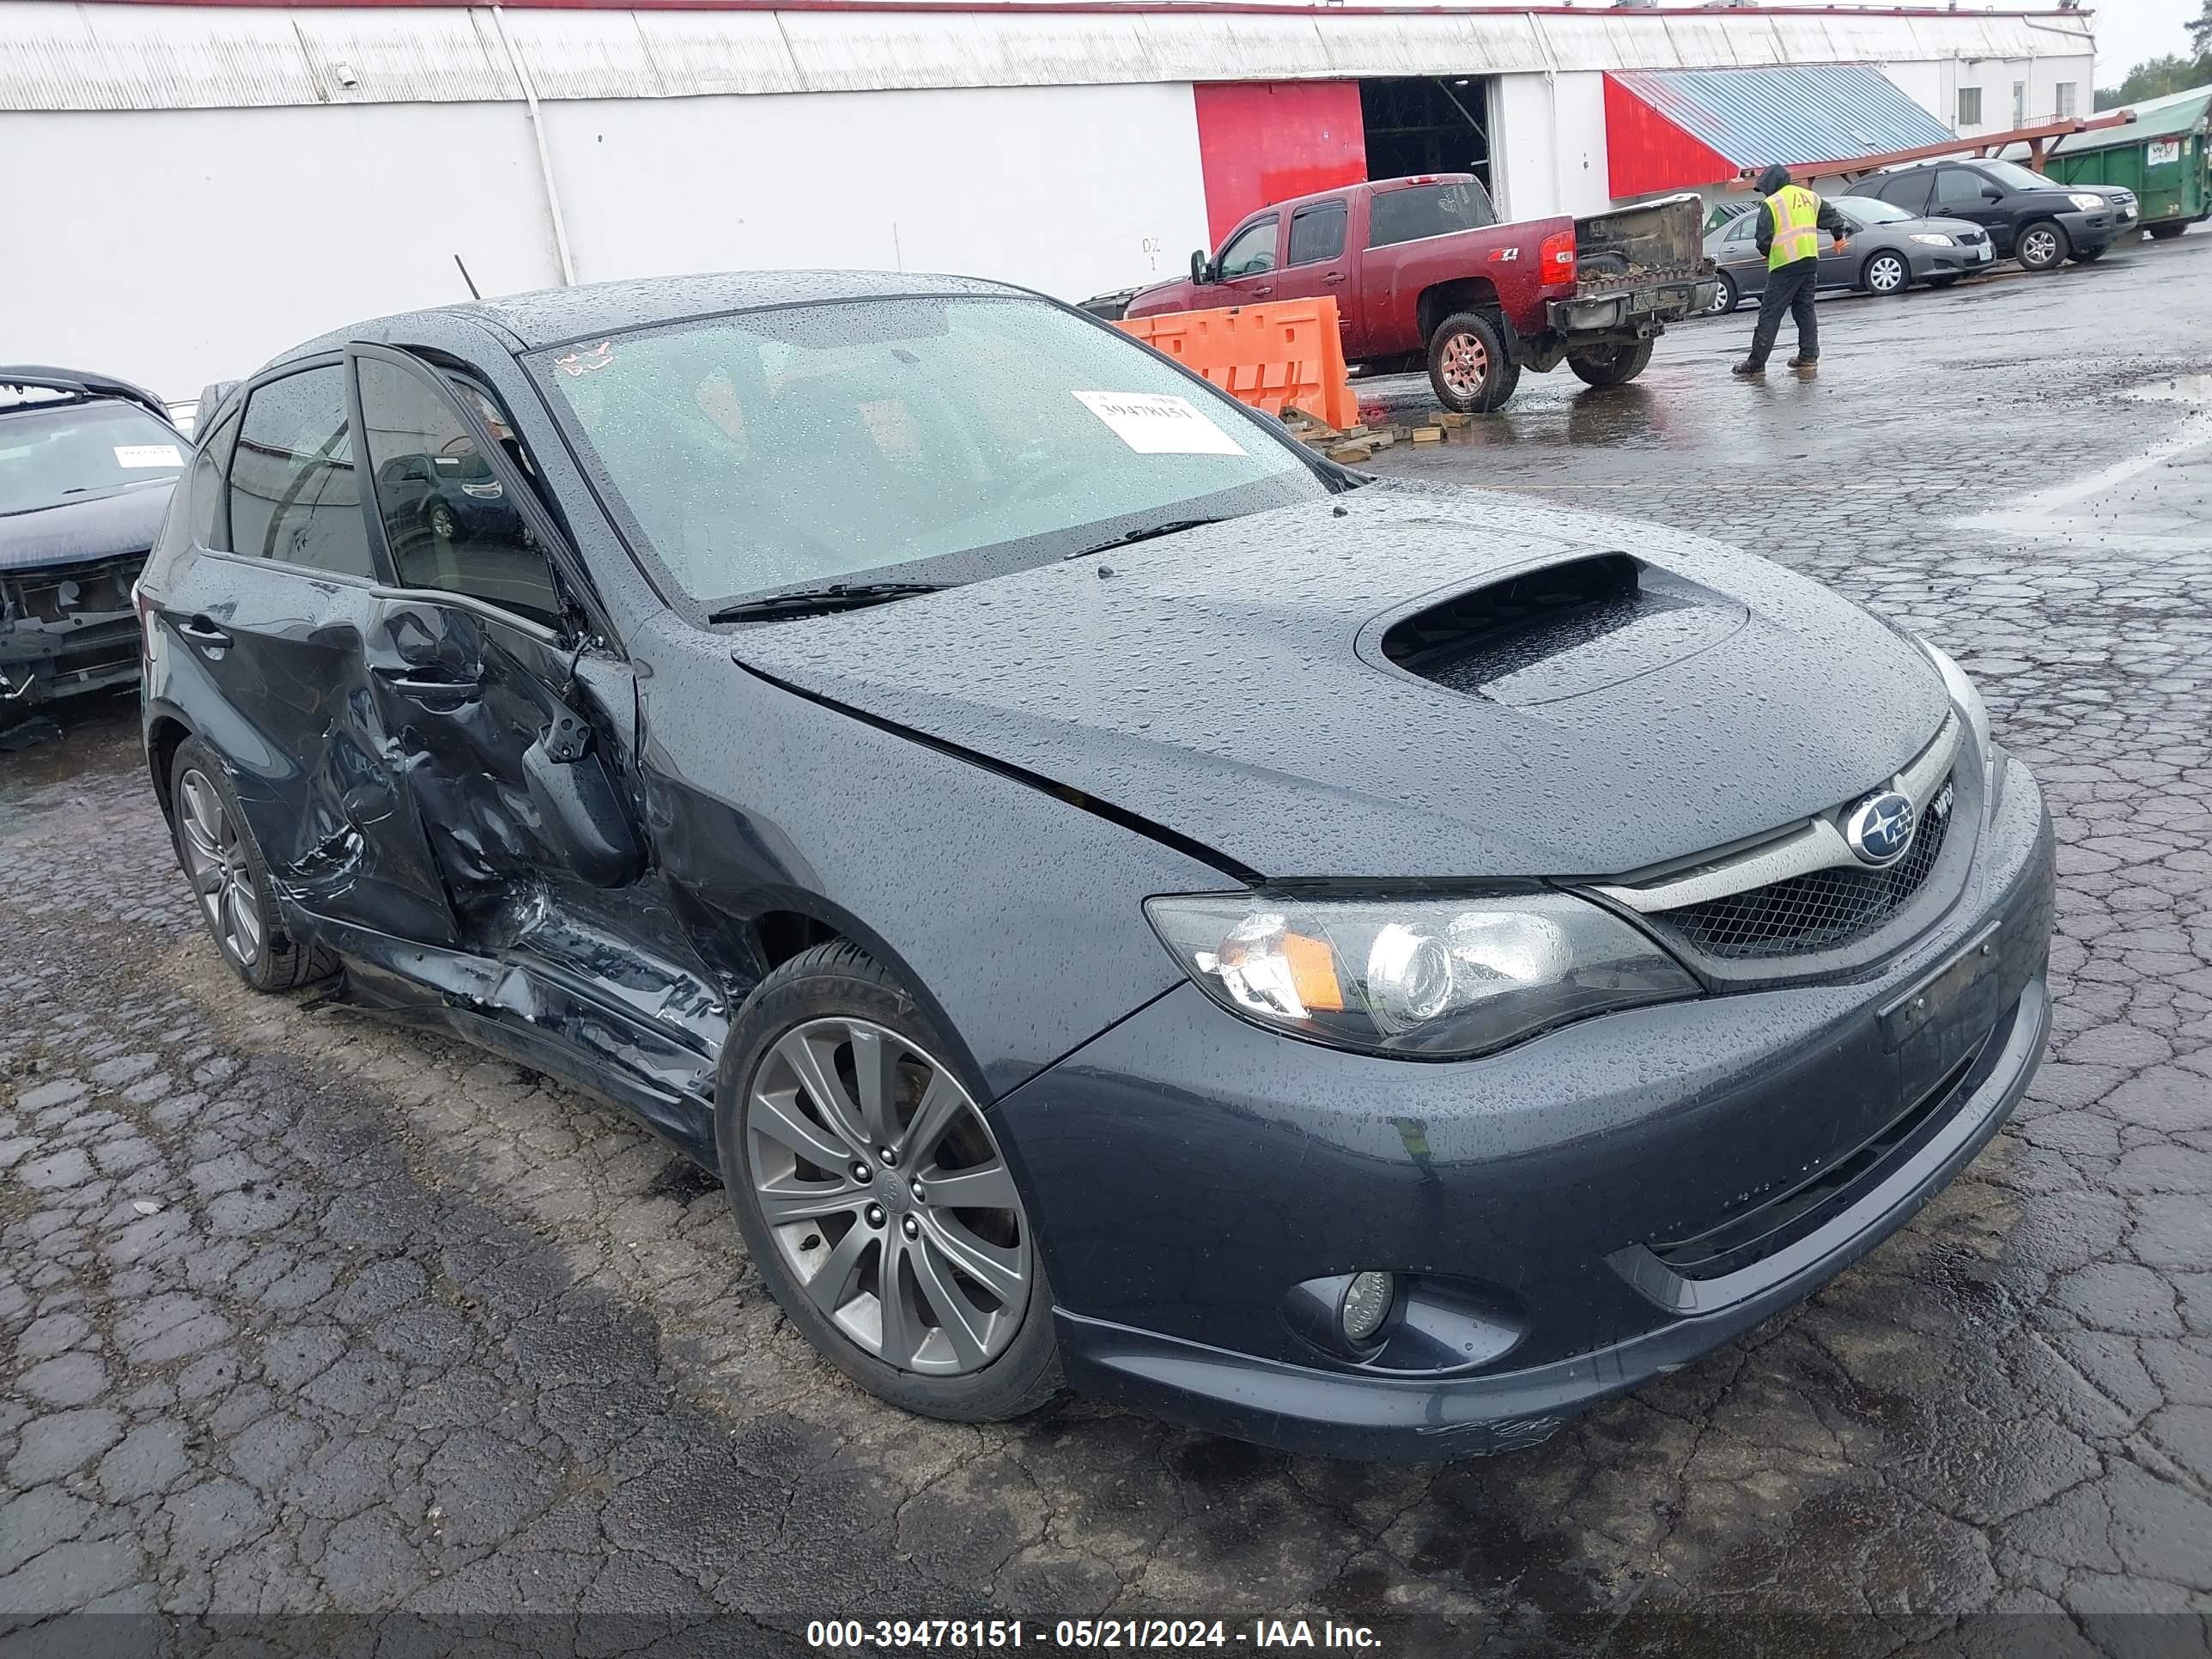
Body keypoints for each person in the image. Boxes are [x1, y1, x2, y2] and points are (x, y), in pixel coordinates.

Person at [1732, 165, 1853, 376]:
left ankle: (1756, 364)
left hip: (1785, 264)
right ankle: (1808, 357)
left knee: (1770, 314)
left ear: (1771, 184)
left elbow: (1763, 239)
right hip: (1809, 260)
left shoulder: (1772, 203)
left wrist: (1767, 251)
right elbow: (1833, 218)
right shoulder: (1809, 197)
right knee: (1805, 309)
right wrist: (1838, 238)